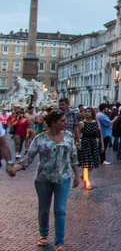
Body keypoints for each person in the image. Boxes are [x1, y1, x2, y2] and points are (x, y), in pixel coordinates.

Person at [7, 110, 80, 250]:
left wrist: (77, 175)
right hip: (43, 179)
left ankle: (59, 242)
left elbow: (73, 157)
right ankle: (43, 235)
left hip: (63, 178)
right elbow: (28, 159)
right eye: (62, 121)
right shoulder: (40, 138)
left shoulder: (69, 136)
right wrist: (14, 169)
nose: (65, 123)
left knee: (60, 210)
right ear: (53, 123)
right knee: (44, 209)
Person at [78, 107, 103, 189]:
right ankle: (87, 182)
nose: (87, 113)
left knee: (92, 164)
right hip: (85, 143)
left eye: (89, 111)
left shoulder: (96, 122)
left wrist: (102, 145)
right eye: (86, 111)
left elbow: (100, 135)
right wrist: (78, 143)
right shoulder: (82, 123)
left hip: (93, 143)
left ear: (92, 113)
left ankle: (84, 176)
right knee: (86, 163)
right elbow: (78, 135)